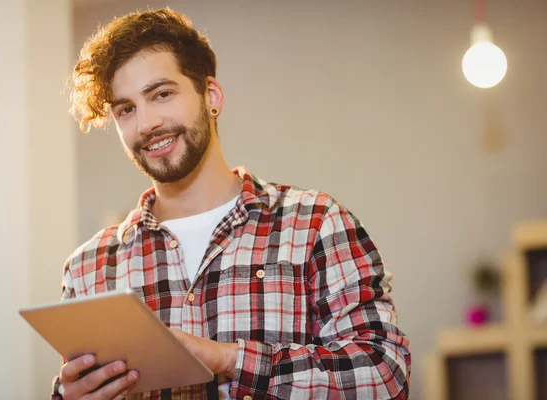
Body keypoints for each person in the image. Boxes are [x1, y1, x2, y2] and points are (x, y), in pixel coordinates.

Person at [53, 8, 410, 400]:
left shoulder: (316, 224)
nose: (145, 124)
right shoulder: (90, 268)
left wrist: (229, 360)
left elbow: (385, 375)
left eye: (162, 94)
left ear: (211, 96)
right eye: (126, 109)